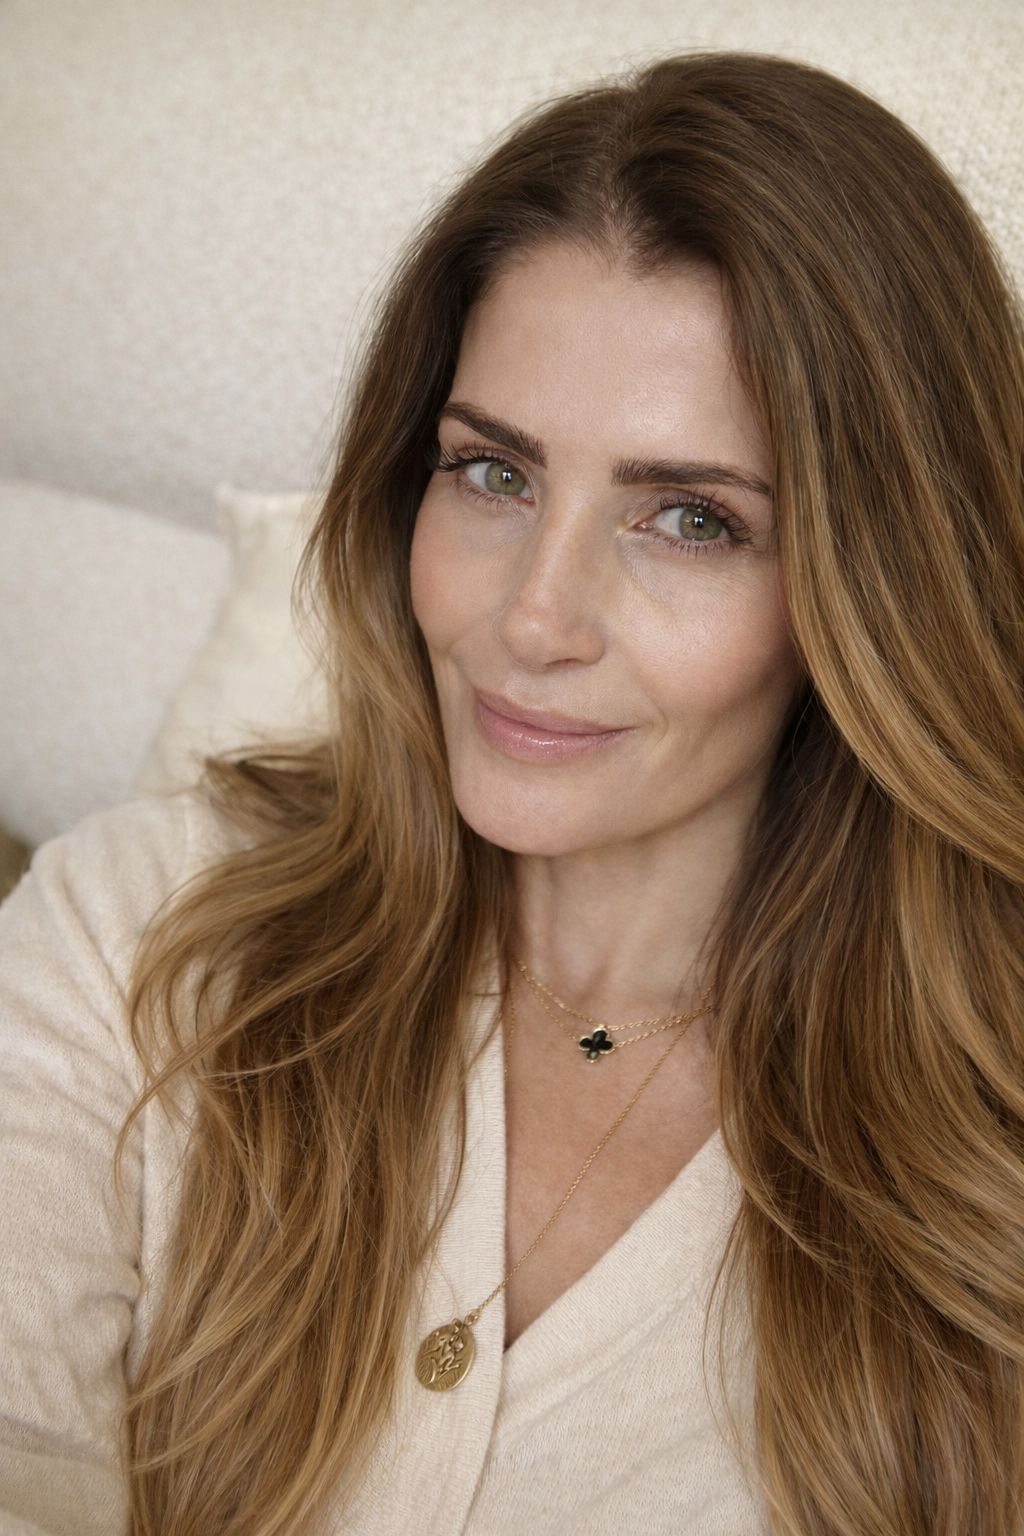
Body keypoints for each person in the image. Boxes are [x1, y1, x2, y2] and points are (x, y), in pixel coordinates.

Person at [2, 46, 1022, 1536]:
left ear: (875, 590)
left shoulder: (985, 1146)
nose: (533, 618)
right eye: (492, 473)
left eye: (691, 519)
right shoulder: (135, 929)